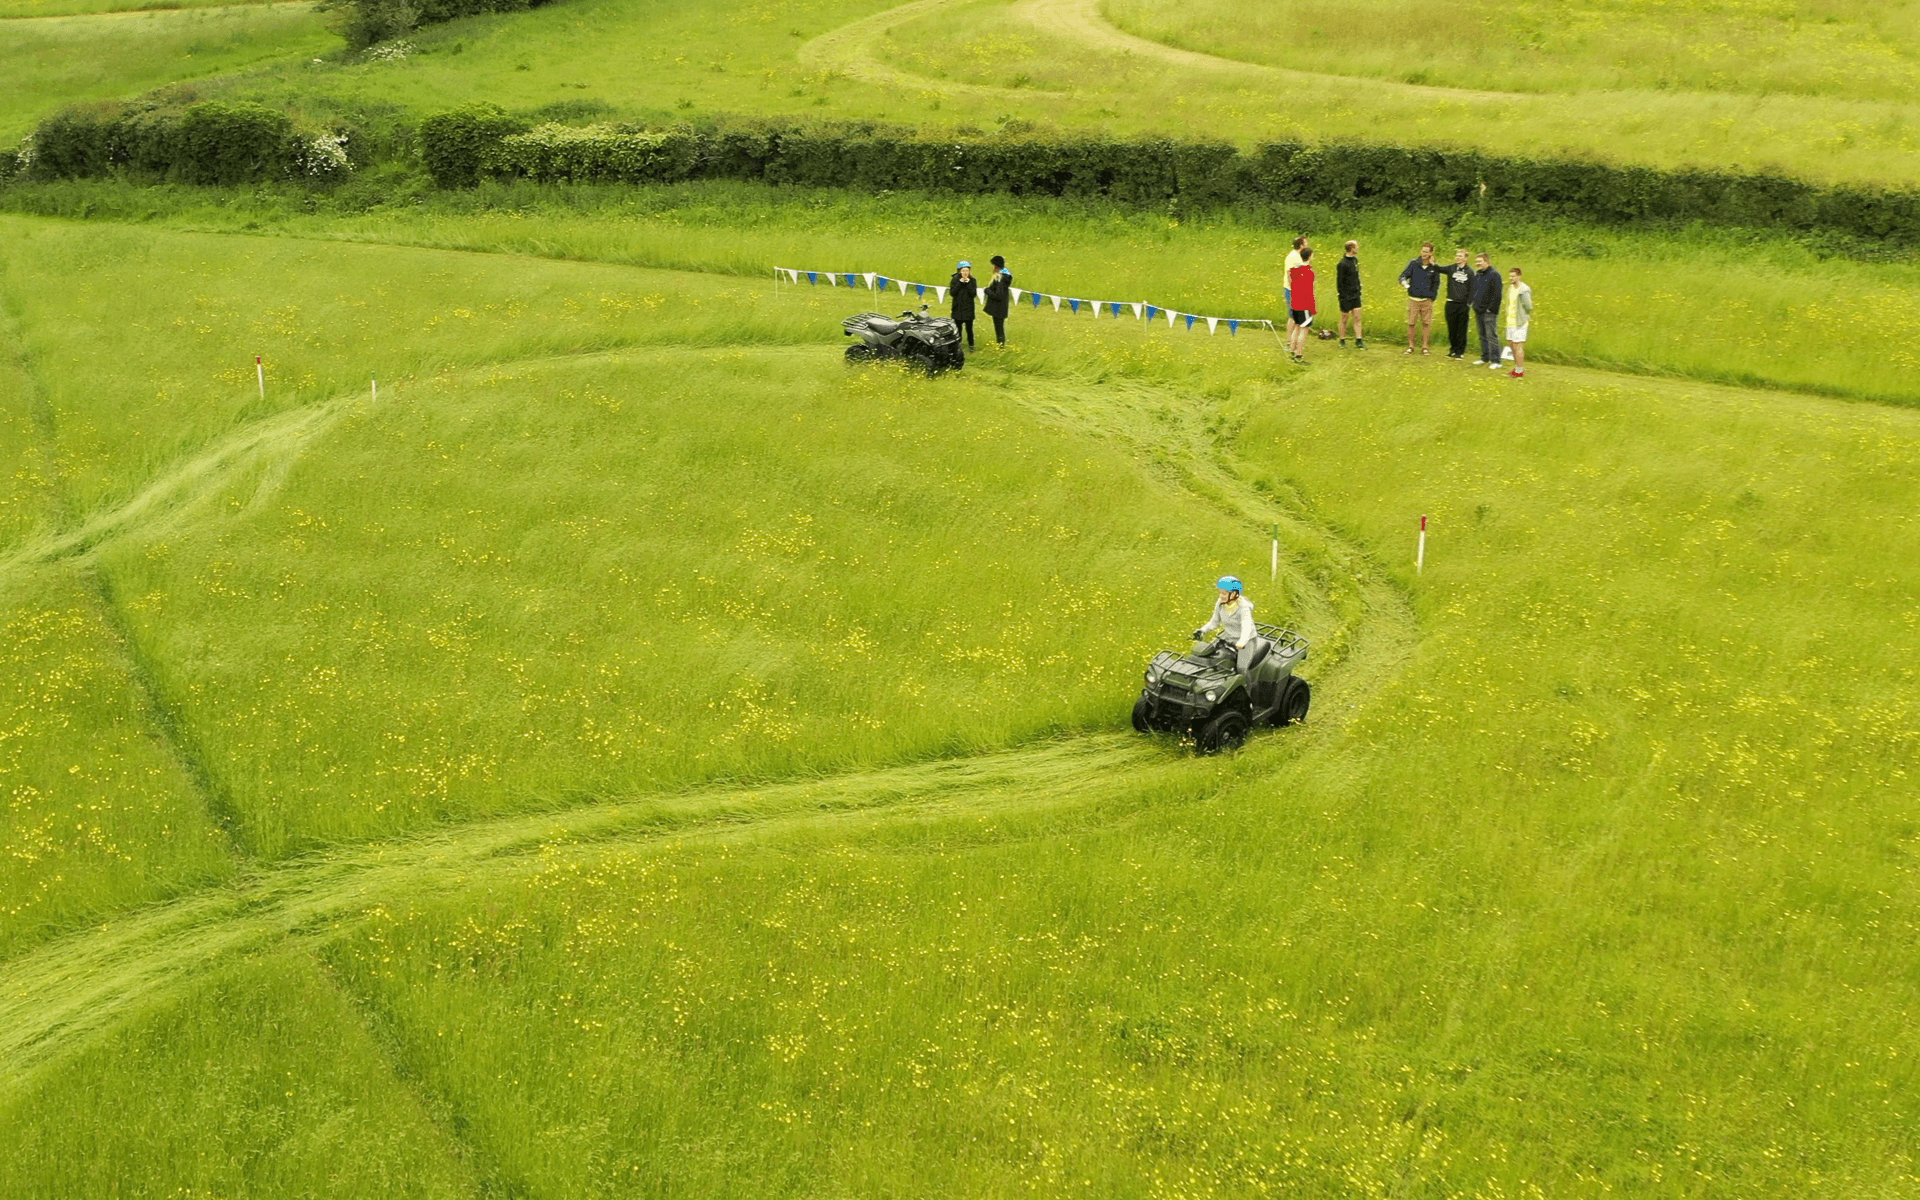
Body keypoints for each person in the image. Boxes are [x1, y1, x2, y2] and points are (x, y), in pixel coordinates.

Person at [1196, 575, 1261, 681]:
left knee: (1241, 668)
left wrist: (1242, 642)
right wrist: (1202, 630)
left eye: (1224, 593)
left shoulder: (1243, 607)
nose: (1221, 596)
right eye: (1220, 593)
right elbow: (1214, 622)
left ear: (1234, 594)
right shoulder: (1221, 603)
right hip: (1228, 637)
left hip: (1247, 641)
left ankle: (1247, 691)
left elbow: (1246, 627)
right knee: (1205, 655)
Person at [1396, 242, 1442, 354]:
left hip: (1427, 300)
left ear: (1431, 253)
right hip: (1414, 299)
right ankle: (1411, 346)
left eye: (1426, 252)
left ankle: (1425, 347)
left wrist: (1432, 297)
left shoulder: (1434, 267)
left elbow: (1436, 283)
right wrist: (1407, 286)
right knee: (1411, 323)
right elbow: (1403, 276)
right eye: (1423, 251)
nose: (1424, 253)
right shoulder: (1413, 263)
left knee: (1426, 323)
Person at [1469, 252, 1503, 368]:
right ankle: (1485, 358)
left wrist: (1490, 309)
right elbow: (1474, 290)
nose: (1478, 264)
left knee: (1491, 335)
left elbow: (1497, 295)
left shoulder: (1494, 275)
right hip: (1478, 309)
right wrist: (1474, 304)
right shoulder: (1477, 275)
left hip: (1489, 311)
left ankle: (1496, 361)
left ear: (1487, 262)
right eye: (1477, 262)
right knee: (1482, 334)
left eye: (1480, 262)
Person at [1287, 248, 1316, 362]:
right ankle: (1299, 354)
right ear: (1309, 256)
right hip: (1304, 305)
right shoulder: (1308, 272)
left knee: (1297, 327)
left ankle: (1292, 349)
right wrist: (1312, 308)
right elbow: (1309, 292)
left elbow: (1291, 282)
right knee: (1303, 330)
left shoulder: (1295, 270)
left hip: (1295, 303)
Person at [1443, 248, 1473, 359]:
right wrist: (1432, 263)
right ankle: (1452, 350)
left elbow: (1472, 289)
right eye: (1457, 255)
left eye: (1460, 256)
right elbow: (1439, 269)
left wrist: (1468, 303)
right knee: (1452, 328)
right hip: (1451, 302)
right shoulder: (1451, 268)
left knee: (1461, 328)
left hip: (1463, 304)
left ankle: (1460, 352)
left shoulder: (1470, 272)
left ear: (1465, 258)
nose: (1458, 257)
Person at [1505, 266, 1533, 378]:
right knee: (1511, 344)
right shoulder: (1511, 288)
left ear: (1519, 276)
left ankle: (1520, 370)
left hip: (1520, 322)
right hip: (1510, 321)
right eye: (1510, 276)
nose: (1511, 278)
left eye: (1513, 276)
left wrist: (1523, 316)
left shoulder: (1524, 289)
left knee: (1518, 345)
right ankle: (1517, 367)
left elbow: (1529, 306)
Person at [1336, 240, 1365, 348]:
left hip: (1356, 294)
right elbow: (1339, 282)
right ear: (1351, 248)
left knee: (1357, 317)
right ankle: (1342, 340)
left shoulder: (1355, 260)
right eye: (1356, 247)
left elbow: (1356, 277)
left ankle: (1359, 340)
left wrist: (1359, 289)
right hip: (1346, 296)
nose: (1358, 248)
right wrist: (1342, 296)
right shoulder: (1342, 264)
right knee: (1344, 319)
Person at [982, 255, 1012, 345]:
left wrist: (987, 291)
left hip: (998, 308)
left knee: (999, 328)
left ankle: (1001, 345)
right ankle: (1000, 344)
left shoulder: (1001, 279)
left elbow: (998, 295)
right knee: (999, 327)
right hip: (1000, 307)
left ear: (996, 266)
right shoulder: (1002, 276)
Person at [948, 261, 978, 349]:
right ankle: (958, 346)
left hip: (968, 309)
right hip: (958, 308)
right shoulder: (955, 280)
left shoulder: (973, 280)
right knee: (958, 329)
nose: (965, 273)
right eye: (963, 271)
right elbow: (953, 293)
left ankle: (971, 345)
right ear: (959, 271)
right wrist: (960, 282)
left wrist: (968, 283)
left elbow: (973, 294)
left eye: (967, 271)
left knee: (969, 329)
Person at [1283, 235, 1308, 334]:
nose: (1307, 244)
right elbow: (1290, 273)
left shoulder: (1299, 256)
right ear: (1301, 245)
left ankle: (1294, 339)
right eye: (1305, 243)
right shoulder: (1293, 256)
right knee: (1293, 316)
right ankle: (1289, 341)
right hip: (1291, 290)